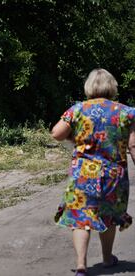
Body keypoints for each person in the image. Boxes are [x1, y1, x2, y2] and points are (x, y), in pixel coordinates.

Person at [51, 68, 135, 276]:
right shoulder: (126, 112)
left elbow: (57, 134)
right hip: (113, 174)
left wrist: (76, 137)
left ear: (89, 87)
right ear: (112, 86)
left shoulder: (77, 109)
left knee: (81, 217)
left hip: (83, 175)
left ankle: (81, 265)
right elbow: (133, 146)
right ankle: (107, 259)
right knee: (109, 215)